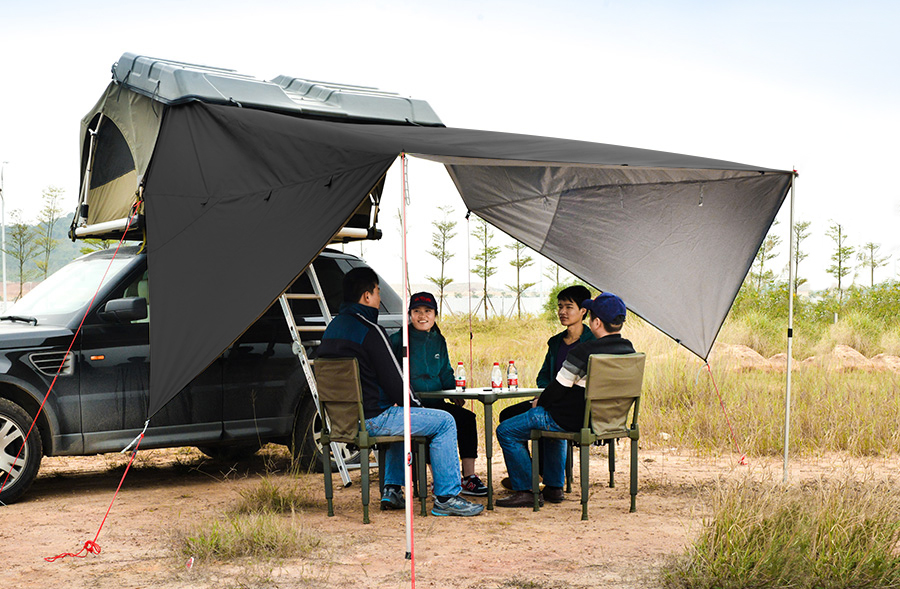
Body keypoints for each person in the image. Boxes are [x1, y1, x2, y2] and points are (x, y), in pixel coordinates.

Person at [317, 268, 483, 517]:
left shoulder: (331, 330)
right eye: (377, 292)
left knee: (400, 416)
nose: (379, 298)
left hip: (340, 422)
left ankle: (392, 491)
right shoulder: (370, 331)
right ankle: (447, 496)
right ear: (366, 296)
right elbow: (396, 383)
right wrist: (420, 407)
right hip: (372, 420)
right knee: (445, 421)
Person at [495, 292, 636, 508]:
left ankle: (526, 490)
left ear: (596, 322)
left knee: (507, 429)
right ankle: (553, 487)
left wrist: (539, 402)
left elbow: (557, 389)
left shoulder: (584, 351)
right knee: (549, 420)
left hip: (573, 419)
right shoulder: (629, 350)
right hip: (608, 421)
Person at [389, 292, 488, 497]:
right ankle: (437, 481)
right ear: (410, 314)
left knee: (467, 419)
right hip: (412, 405)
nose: (422, 316)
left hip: (436, 402)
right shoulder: (400, 339)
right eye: (416, 311)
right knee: (436, 426)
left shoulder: (438, 339)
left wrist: (453, 392)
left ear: (435, 314)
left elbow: (445, 370)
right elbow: (388, 372)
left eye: (427, 311)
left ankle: (468, 477)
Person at [497, 285, 595, 489]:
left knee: (533, 421)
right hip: (552, 398)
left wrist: (554, 397)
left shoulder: (591, 342)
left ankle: (540, 481)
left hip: (573, 405)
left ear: (583, 311)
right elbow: (543, 376)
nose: (562, 312)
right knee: (507, 414)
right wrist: (549, 392)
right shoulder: (556, 342)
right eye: (560, 307)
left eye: (569, 307)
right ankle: (533, 472)